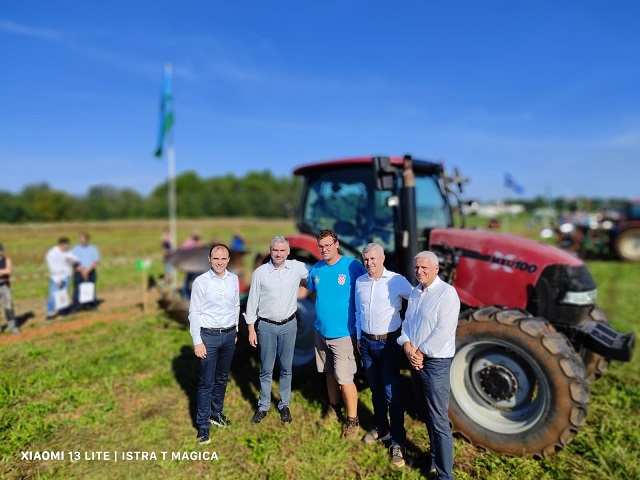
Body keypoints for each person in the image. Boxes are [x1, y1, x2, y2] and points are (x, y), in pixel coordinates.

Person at [397, 251, 460, 480]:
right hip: (416, 361)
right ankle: (434, 458)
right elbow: (407, 327)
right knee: (426, 414)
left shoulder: (447, 294)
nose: (419, 271)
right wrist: (407, 347)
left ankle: (445, 476)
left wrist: (420, 352)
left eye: (424, 268)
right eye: (416, 268)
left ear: (436, 269)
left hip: (435, 364)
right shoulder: (415, 293)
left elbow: (443, 331)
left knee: (439, 420)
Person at [355, 243, 413, 467]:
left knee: (392, 394)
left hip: (388, 343)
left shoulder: (396, 280)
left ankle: (398, 441)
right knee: (375, 390)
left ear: (382, 258)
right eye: (366, 259)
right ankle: (382, 429)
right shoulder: (360, 281)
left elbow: (416, 301)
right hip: (367, 343)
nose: (369, 263)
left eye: (373, 259)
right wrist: (360, 337)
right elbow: (359, 312)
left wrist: (408, 333)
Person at [305, 229, 366, 439]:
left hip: (343, 334)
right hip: (321, 332)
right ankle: (334, 408)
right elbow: (307, 291)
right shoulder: (316, 269)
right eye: (321, 246)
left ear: (337, 244)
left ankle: (353, 421)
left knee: (345, 379)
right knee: (329, 372)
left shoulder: (352, 266)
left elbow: (367, 286)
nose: (324, 249)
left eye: (328, 245)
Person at [244, 236, 309, 425]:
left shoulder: (296, 268)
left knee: (286, 369)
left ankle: (284, 404)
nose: (278, 254)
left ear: (288, 251)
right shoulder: (260, 273)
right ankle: (263, 405)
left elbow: (313, 279)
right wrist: (251, 328)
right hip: (266, 325)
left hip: (289, 325)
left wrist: (310, 290)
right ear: (270, 251)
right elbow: (252, 301)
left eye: (282, 250)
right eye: (275, 250)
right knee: (266, 369)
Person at [188, 243, 240, 445]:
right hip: (208, 337)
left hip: (228, 335)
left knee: (221, 378)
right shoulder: (201, 282)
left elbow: (236, 305)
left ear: (228, 259)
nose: (220, 262)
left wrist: (235, 330)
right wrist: (197, 340)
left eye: (223, 258)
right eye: (216, 258)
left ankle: (216, 413)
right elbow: (194, 312)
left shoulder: (233, 279)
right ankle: (202, 426)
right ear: (210, 259)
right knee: (206, 382)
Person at [45, 237, 78, 320]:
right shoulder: (52, 253)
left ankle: (62, 312)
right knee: (52, 295)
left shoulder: (68, 251)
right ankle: (50, 313)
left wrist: (72, 260)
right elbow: (52, 267)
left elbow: (75, 259)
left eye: (67, 245)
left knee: (63, 294)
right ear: (60, 244)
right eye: (65, 245)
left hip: (66, 276)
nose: (66, 247)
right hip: (56, 276)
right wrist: (57, 279)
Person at [71, 232, 100, 311]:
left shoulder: (93, 249)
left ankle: (91, 306)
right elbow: (74, 261)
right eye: (80, 239)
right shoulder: (75, 249)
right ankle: (75, 307)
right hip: (78, 272)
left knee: (90, 289)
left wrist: (87, 271)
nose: (81, 241)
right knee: (77, 290)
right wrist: (82, 270)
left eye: (83, 239)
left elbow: (95, 261)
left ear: (87, 240)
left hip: (91, 272)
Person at [0, 243, 20, 334]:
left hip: (5, 286)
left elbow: (9, 270)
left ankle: (12, 326)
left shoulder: (6, 260)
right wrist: (2, 271)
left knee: (8, 306)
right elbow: (5, 271)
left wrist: (3, 271)